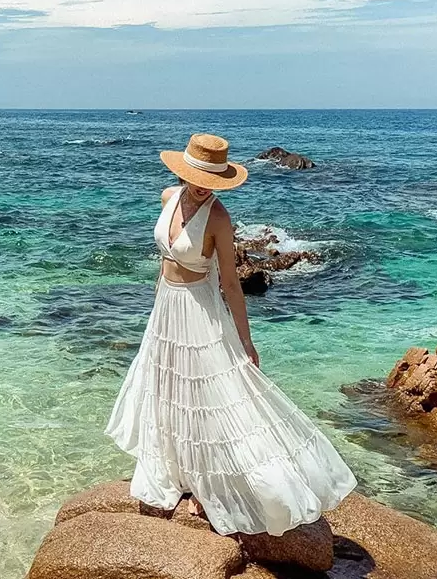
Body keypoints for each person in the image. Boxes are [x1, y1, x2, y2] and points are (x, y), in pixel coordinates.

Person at [105, 133, 356, 536]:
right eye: (198, 177)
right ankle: (178, 468)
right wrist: (155, 303)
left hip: (200, 309)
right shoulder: (169, 196)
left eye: (211, 179)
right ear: (184, 173)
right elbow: (163, 260)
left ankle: (223, 479)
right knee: (169, 387)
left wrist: (245, 339)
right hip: (167, 306)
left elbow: (232, 284)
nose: (203, 186)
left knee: (211, 394)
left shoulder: (219, 218)